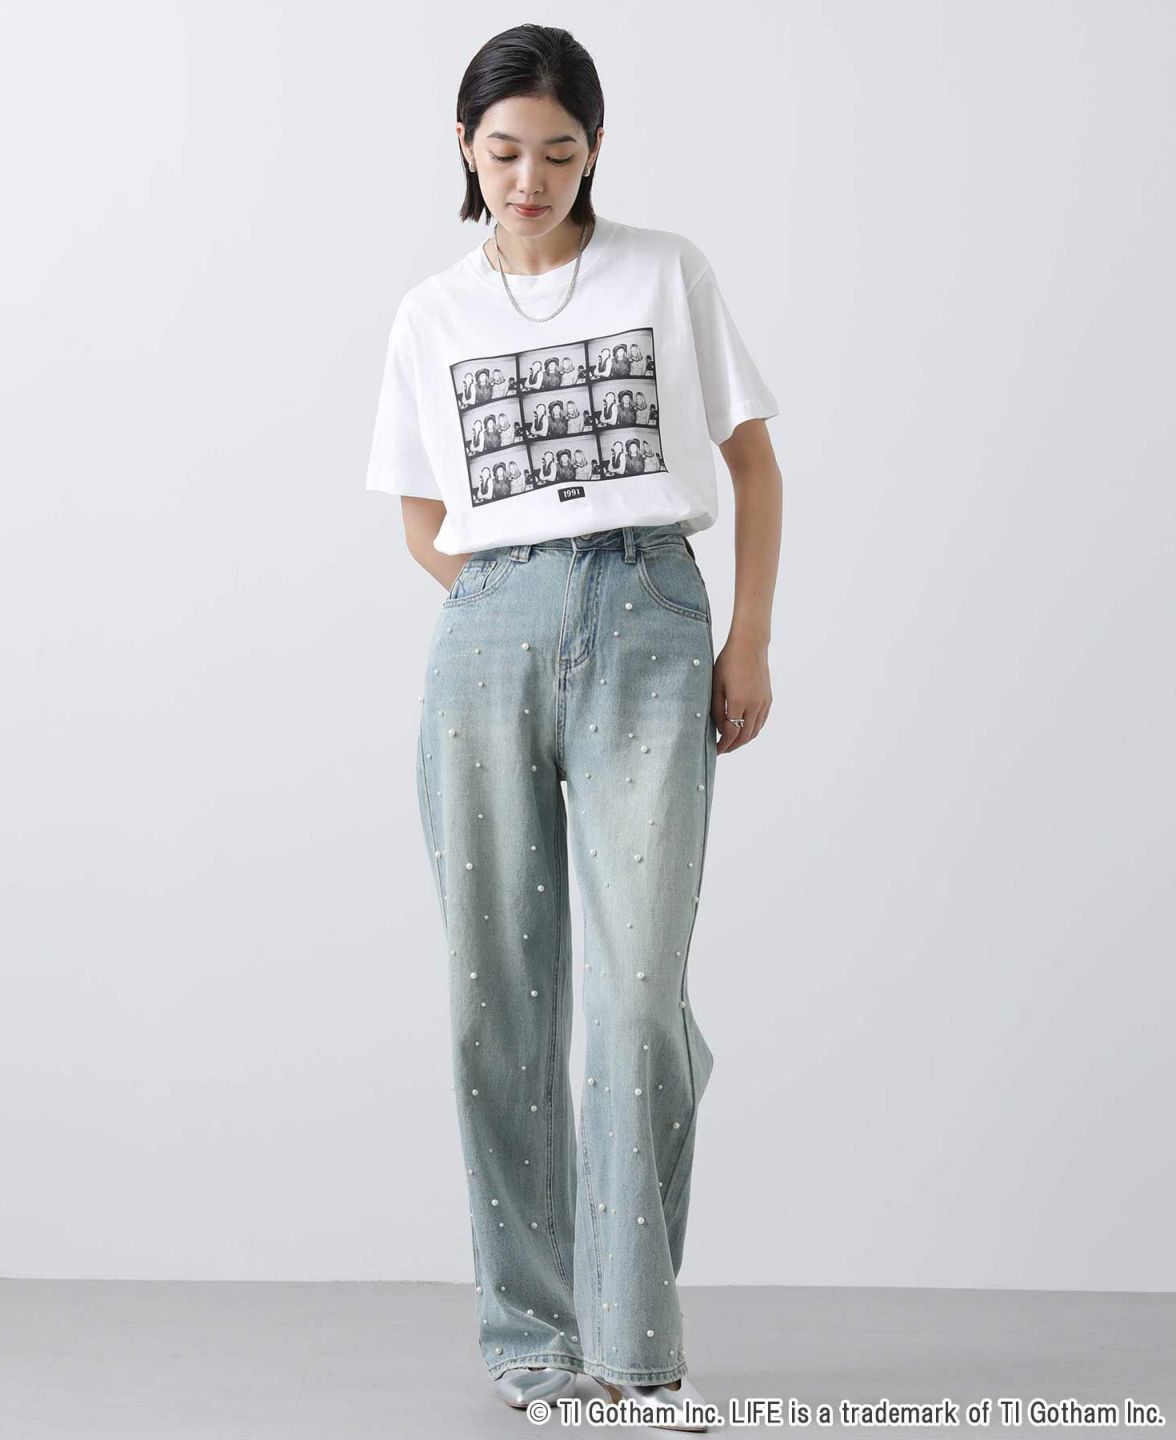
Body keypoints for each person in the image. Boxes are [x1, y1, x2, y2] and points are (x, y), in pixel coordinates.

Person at [365, 22, 783, 1433]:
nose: (529, 179)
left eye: (557, 151)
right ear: (465, 152)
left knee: (635, 998)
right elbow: (422, 517)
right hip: (488, 634)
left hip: (652, 615)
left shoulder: (665, 271)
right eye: (503, 154)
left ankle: (637, 1346)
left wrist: (745, 638)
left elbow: (753, 464)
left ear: (595, 147)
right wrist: (516, 602)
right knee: (499, 997)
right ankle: (535, 1345)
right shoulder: (431, 314)